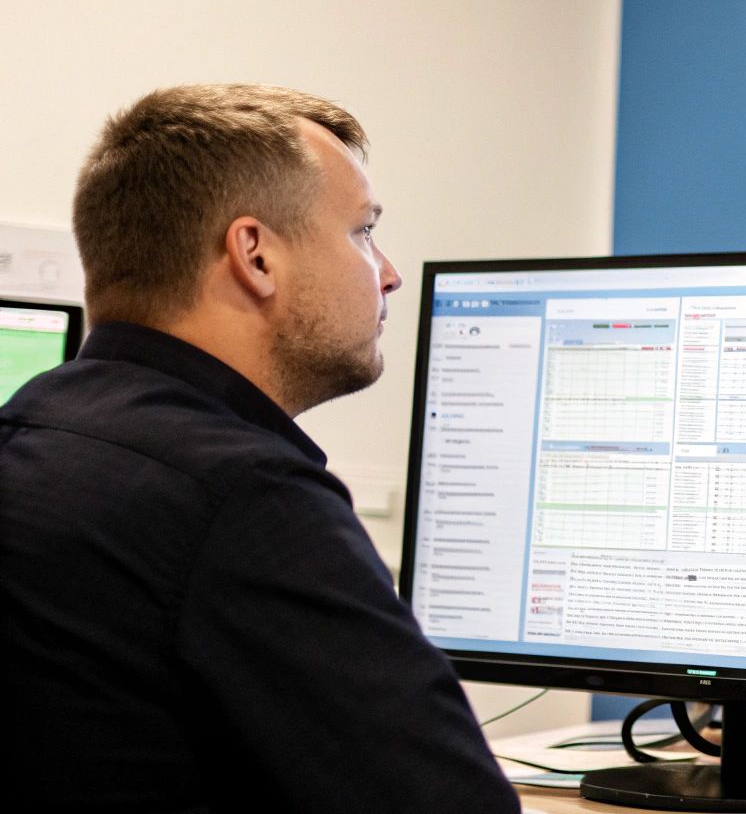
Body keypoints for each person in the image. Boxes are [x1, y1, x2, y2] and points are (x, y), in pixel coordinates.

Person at [0, 85, 521, 812]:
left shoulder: (34, 428)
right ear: (255, 254)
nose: (389, 272)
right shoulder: (242, 498)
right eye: (362, 231)